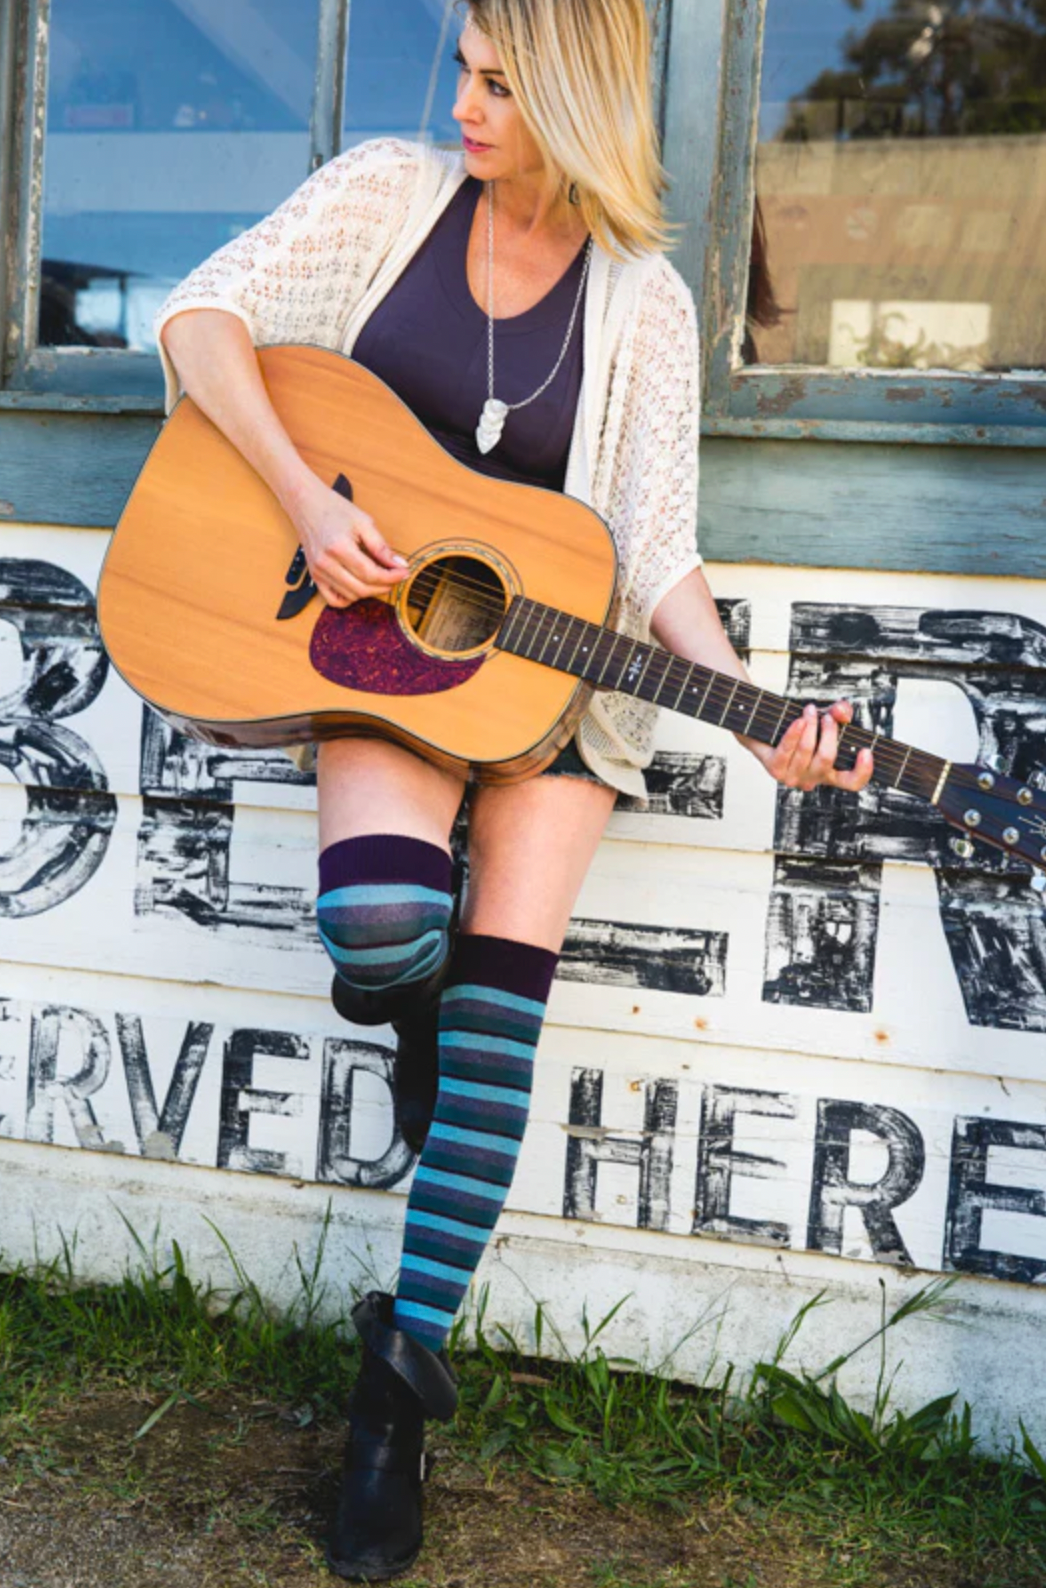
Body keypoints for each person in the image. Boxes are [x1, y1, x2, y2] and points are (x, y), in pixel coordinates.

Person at [155, 1, 874, 1578]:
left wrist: (754, 712)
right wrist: (300, 493)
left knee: (502, 1018)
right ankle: (404, 1003)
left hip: (560, 681)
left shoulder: (643, 299)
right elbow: (202, 319)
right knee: (386, 925)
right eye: (463, 74)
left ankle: (391, 1407)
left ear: (573, 99)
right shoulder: (381, 196)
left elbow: (660, 546)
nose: (464, 106)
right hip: (377, 653)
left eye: (498, 84)